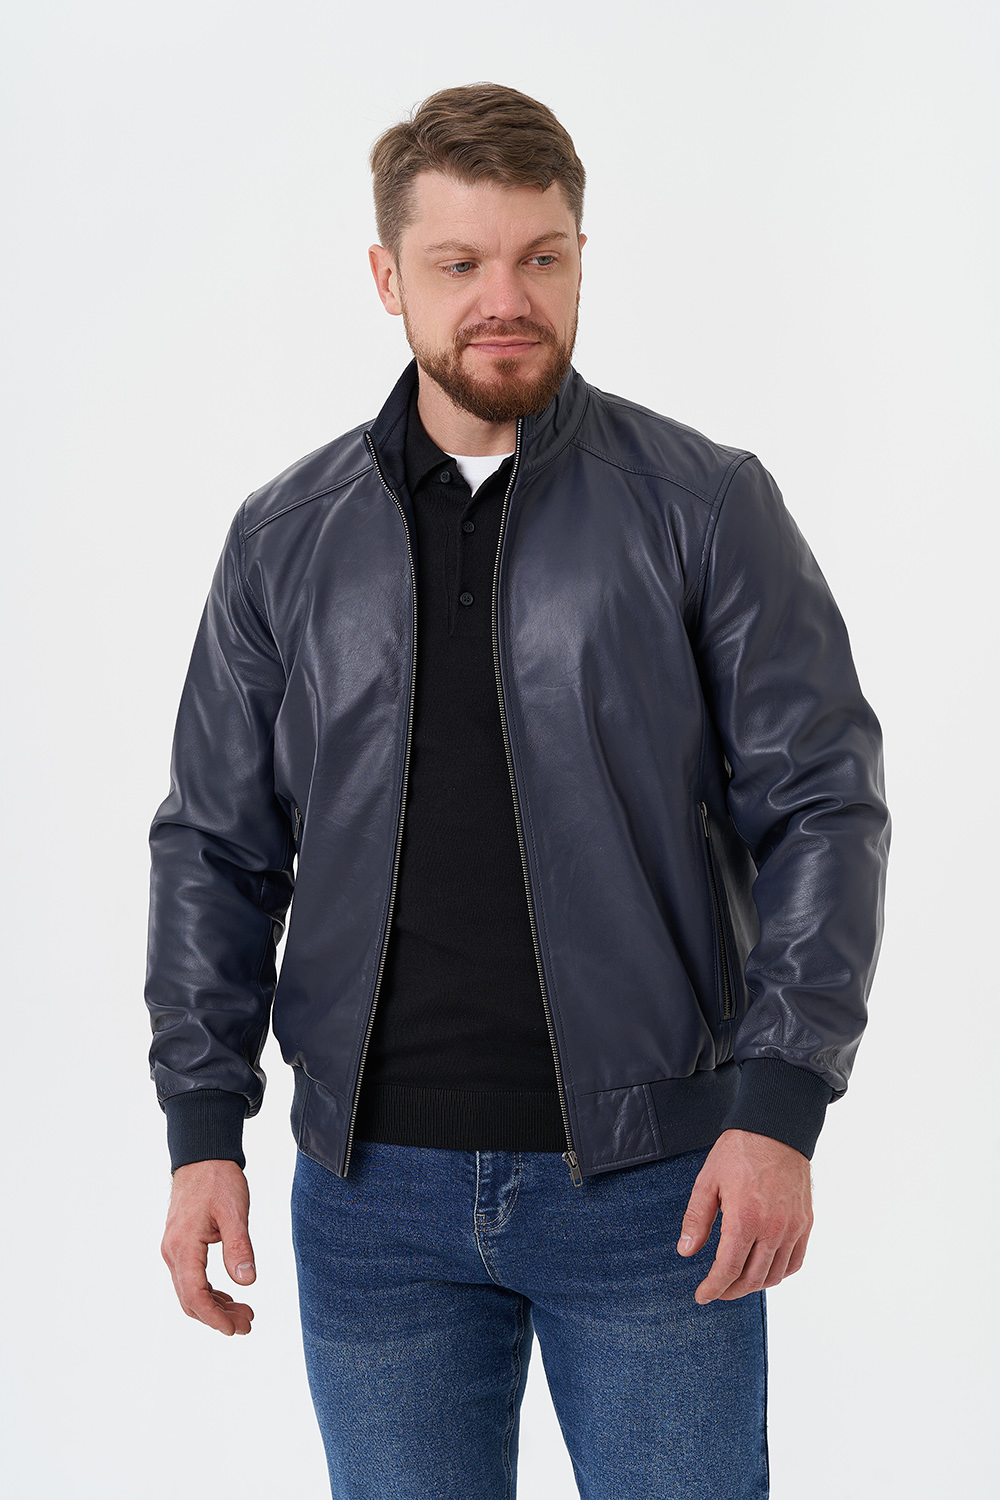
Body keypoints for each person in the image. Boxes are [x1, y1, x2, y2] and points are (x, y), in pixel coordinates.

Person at [146, 82, 889, 1499]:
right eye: (460, 263)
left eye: (541, 257)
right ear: (388, 278)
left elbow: (823, 806)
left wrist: (780, 1104)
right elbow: (215, 847)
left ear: (581, 260)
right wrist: (201, 1131)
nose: (506, 298)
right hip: (371, 1197)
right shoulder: (285, 538)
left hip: (658, 1184)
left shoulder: (704, 505)